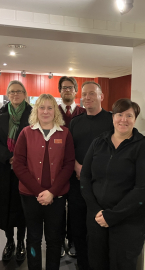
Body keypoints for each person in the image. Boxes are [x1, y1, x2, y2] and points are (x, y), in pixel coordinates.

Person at [80, 98, 145, 270]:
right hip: (97, 217)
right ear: (112, 117)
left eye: (129, 115)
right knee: (96, 263)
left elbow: (144, 187)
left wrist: (113, 215)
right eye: (119, 114)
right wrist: (95, 210)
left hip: (129, 221)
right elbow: (85, 178)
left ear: (135, 119)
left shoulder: (143, 147)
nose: (123, 119)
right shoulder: (99, 142)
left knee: (122, 264)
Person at [13, 94, 75, 270]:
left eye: (50, 108)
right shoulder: (26, 132)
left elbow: (69, 164)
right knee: (33, 237)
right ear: (36, 110)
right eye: (42, 107)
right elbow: (18, 164)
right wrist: (39, 191)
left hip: (57, 196)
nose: (46, 111)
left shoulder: (65, 133)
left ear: (55, 110)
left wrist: (52, 192)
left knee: (54, 238)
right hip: (30, 196)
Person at [68, 81, 114, 270]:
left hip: (103, 186)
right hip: (77, 183)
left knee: (100, 228)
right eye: (84, 94)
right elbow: (68, 150)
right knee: (78, 228)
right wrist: (77, 166)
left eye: (92, 94)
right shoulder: (75, 122)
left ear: (101, 96)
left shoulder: (112, 120)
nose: (87, 98)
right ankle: (82, 264)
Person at [0, 80, 32, 262]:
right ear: (7, 94)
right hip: (4, 168)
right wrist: (8, 156)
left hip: (25, 168)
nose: (15, 95)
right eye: (12, 92)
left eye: (19, 91)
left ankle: (21, 242)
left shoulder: (32, 114)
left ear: (25, 94)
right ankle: (9, 241)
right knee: (5, 206)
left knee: (22, 207)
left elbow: (35, 137)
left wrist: (18, 157)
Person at [57, 76, 86, 258]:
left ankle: (74, 241)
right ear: (60, 91)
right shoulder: (54, 112)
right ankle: (59, 242)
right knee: (58, 209)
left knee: (76, 209)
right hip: (58, 170)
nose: (67, 90)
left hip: (78, 171)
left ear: (76, 90)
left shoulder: (84, 112)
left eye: (70, 87)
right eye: (64, 88)